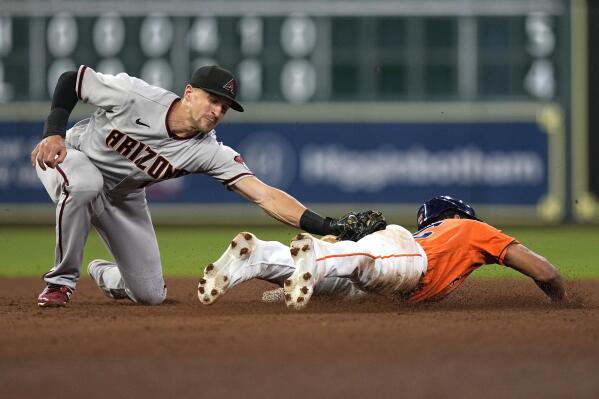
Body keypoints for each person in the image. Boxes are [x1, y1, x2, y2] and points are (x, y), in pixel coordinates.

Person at [31, 65, 353, 307]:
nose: (217, 111)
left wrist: (327, 224)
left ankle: (104, 273)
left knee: (151, 295)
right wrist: (53, 132)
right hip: (70, 157)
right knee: (86, 184)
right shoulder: (136, 96)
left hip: (124, 195)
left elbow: (265, 196)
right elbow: (71, 80)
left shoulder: (208, 151)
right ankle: (60, 282)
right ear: (189, 93)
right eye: (213, 100)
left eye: (224, 108)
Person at [197, 195, 568, 309]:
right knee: (368, 261)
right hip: (404, 257)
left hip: (379, 282)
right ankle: (317, 255)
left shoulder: (434, 234)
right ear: (454, 216)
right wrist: (562, 302)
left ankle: (257, 256)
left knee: (355, 271)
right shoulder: (469, 228)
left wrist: (283, 289)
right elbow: (546, 272)